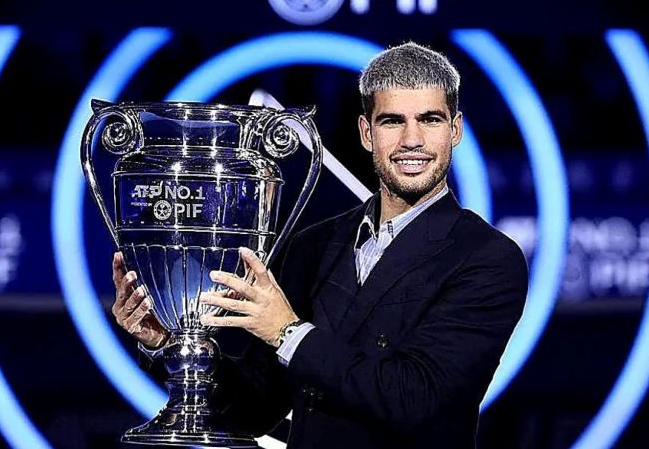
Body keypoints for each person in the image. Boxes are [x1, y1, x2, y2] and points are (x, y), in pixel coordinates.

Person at [111, 42, 529, 448]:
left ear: (454, 130)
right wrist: (169, 341)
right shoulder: (315, 245)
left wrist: (289, 333)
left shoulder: (486, 259)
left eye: (430, 120)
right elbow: (252, 410)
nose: (412, 140)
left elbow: (418, 400)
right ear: (366, 132)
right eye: (392, 121)